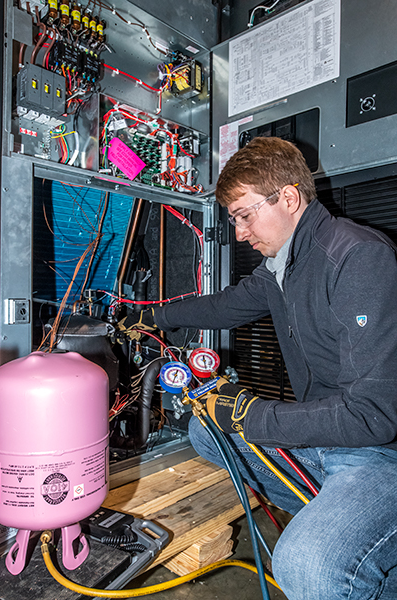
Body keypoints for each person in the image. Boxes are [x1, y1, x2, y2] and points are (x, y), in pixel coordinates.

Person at [150, 136, 397, 599]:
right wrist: (153, 317)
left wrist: (251, 415)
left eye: (245, 215)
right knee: (207, 429)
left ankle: (357, 543)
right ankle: (342, 518)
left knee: (305, 564)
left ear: (288, 197)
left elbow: (375, 415)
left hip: (381, 453)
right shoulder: (281, 267)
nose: (240, 233)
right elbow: (224, 306)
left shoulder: (357, 257)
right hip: (327, 440)